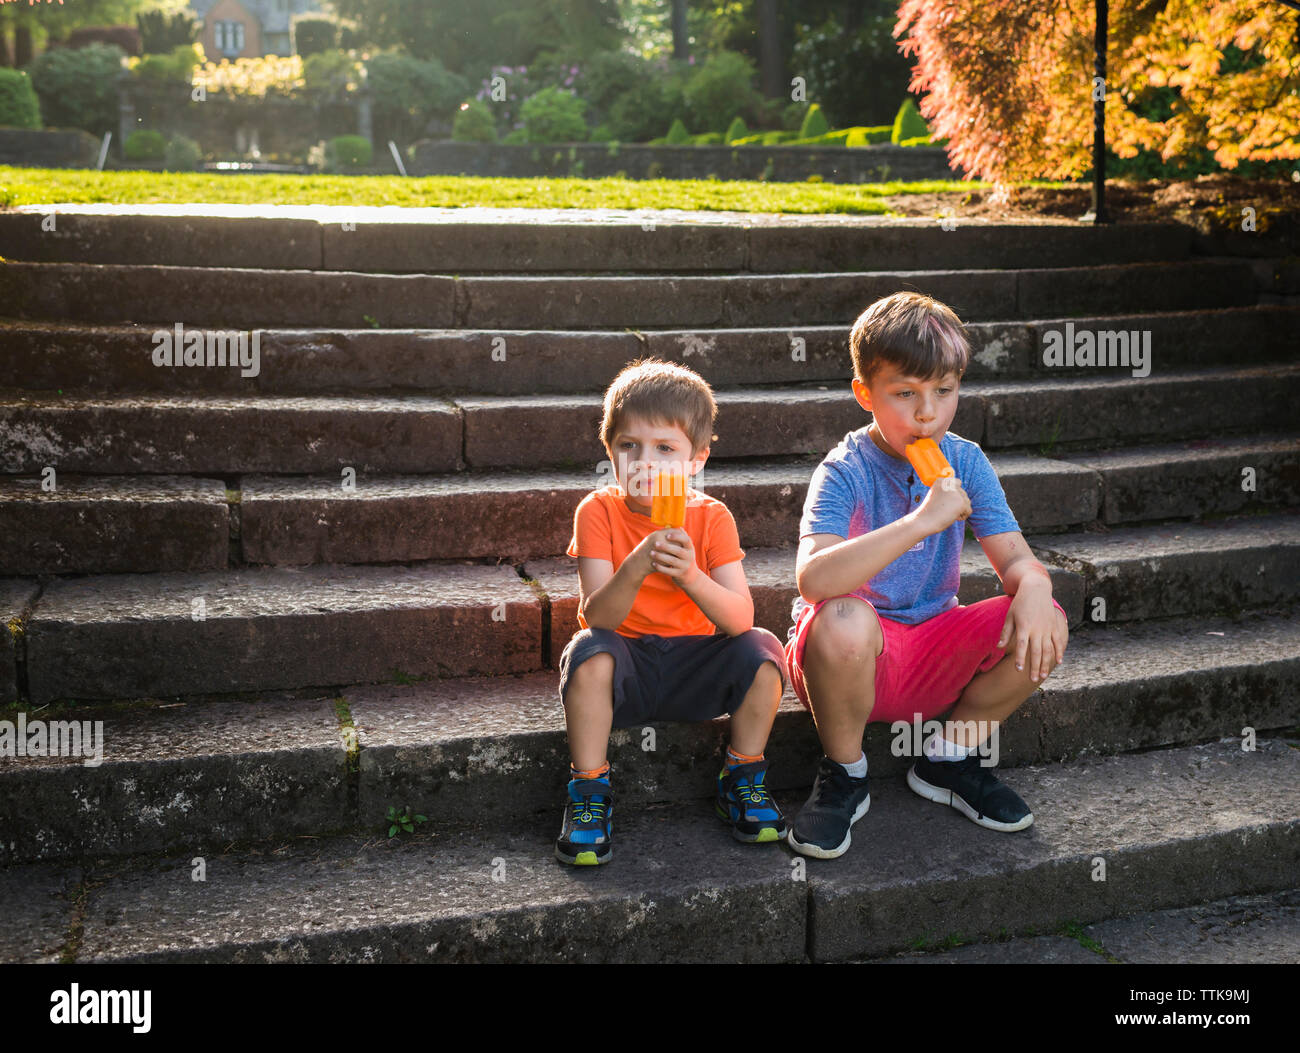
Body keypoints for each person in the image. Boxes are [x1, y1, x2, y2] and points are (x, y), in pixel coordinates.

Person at [784, 291, 1070, 859]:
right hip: (851, 658)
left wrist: (1036, 585)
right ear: (865, 393)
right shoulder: (845, 469)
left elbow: (1016, 560)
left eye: (944, 391)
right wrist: (920, 521)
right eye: (905, 394)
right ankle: (844, 772)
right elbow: (814, 580)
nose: (927, 413)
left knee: (1047, 619)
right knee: (843, 616)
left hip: (933, 648)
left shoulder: (964, 460)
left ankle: (946, 758)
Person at [556, 358, 788, 865]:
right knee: (588, 651)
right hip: (627, 667)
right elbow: (597, 618)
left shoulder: (712, 517)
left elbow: (737, 620)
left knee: (765, 650)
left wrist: (688, 575)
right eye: (628, 446)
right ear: (609, 451)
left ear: (696, 459)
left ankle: (742, 775)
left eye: (665, 448)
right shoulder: (597, 511)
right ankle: (589, 790)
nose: (644, 462)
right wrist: (637, 566)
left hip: (693, 668)